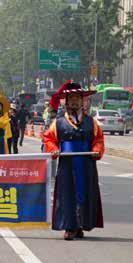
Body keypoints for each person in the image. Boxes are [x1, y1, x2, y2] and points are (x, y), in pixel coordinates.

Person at [43, 81, 104, 241]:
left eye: (78, 98)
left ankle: (80, 225)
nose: (75, 101)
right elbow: (49, 139)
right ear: (67, 101)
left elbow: (98, 139)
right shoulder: (59, 123)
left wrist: (97, 150)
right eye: (72, 98)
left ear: (83, 101)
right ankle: (69, 227)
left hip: (86, 163)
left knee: (85, 193)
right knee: (67, 194)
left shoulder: (92, 122)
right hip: (67, 164)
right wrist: (53, 149)